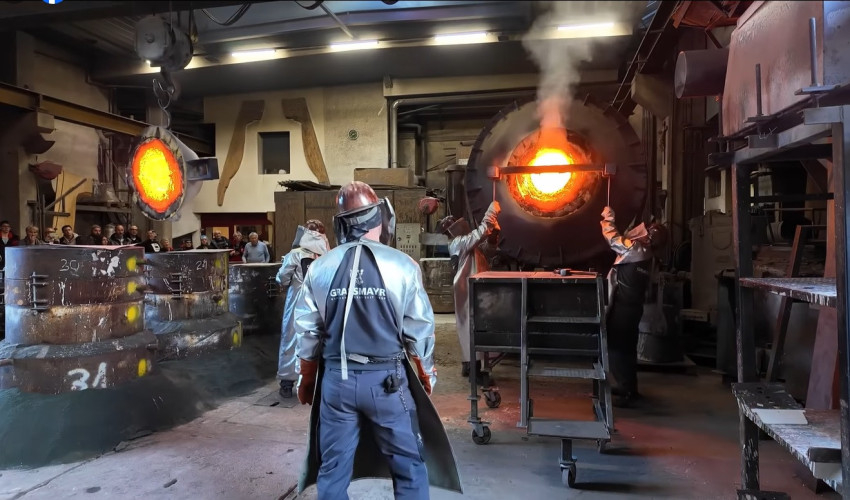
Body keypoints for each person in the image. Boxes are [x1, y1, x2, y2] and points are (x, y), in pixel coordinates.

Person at [293, 181, 461, 499]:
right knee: (409, 468)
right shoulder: (403, 266)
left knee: (332, 471)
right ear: (379, 217)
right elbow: (419, 331)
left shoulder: (319, 268)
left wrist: (307, 379)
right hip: (387, 383)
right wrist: (426, 375)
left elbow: (307, 332)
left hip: (336, 383)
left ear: (341, 223)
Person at [600, 206, 668, 408]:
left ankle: (627, 392)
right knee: (627, 347)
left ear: (648, 238)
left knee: (617, 348)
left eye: (647, 230)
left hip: (623, 308)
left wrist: (608, 219)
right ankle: (628, 387)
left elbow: (613, 239)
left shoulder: (636, 250)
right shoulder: (649, 257)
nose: (641, 230)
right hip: (633, 308)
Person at [438, 202, 501, 379]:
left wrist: (494, 236)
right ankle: (475, 371)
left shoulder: (469, 245)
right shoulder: (458, 243)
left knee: (473, 328)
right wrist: (491, 214)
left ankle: (469, 365)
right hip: (467, 291)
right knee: (471, 329)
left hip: (476, 291)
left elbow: (487, 250)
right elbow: (480, 233)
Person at [275, 219, 330, 398]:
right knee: (319, 339)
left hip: (297, 300)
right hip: (321, 301)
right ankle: (317, 382)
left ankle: (287, 382)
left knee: (291, 338)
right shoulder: (328, 256)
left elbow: (283, 277)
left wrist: (285, 282)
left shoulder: (295, 254)